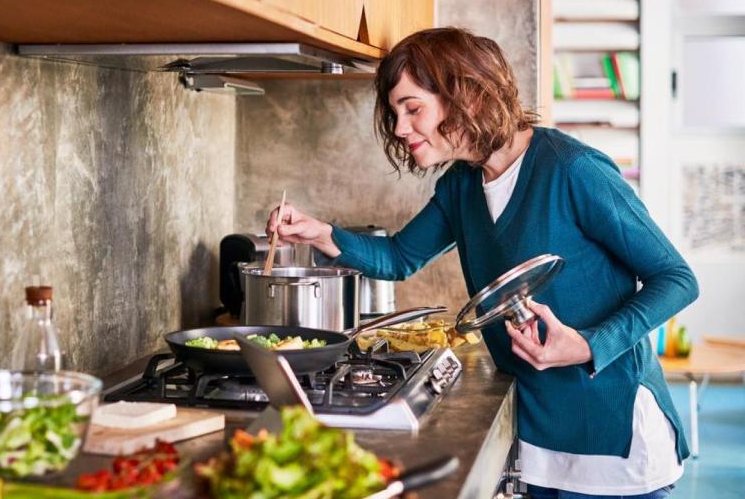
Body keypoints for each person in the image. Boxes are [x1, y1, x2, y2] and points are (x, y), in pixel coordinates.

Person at [267, 27, 698, 499]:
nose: (400, 127)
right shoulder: (461, 186)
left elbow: (676, 279)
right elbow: (399, 257)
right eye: (395, 113)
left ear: (467, 94)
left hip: (614, 438)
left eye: (413, 109)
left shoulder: (573, 170)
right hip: (537, 438)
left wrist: (589, 345)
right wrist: (322, 234)